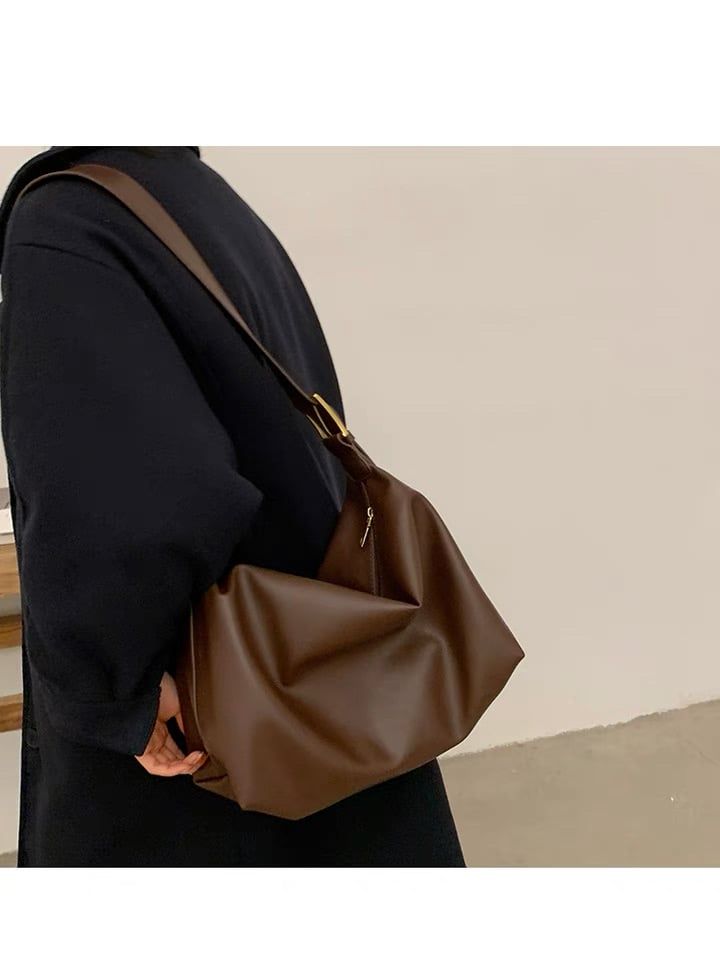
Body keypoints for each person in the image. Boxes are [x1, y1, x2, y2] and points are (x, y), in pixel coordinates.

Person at [0, 146, 465, 867]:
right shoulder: (205, 200)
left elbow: (132, 501)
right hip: (316, 679)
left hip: (196, 720)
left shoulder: (64, 221)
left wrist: (115, 692)